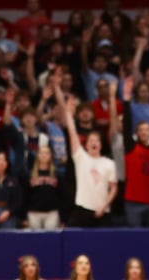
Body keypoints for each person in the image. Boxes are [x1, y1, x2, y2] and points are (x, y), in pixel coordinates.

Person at [60, 95, 117, 226]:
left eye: (96, 140)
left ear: (101, 145)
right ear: (86, 145)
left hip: (102, 211)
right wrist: (69, 113)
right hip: (82, 210)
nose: (94, 143)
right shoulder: (81, 157)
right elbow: (72, 133)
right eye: (91, 140)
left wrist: (104, 207)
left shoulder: (109, 163)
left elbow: (113, 188)